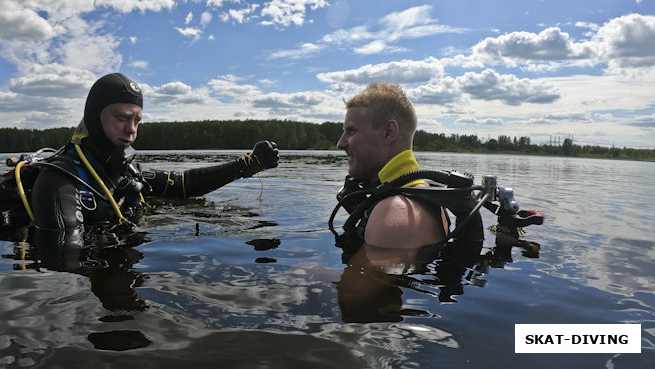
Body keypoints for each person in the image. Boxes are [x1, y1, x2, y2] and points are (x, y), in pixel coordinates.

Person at [30, 72, 279, 232]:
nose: (131, 130)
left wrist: (247, 164)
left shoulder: (126, 170)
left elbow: (186, 184)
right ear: (94, 118)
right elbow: (65, 259)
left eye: (137, 121)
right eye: (122, 118)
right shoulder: (59, 180)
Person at [336, 81, 448, 250]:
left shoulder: (396, 211)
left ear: (388, 132)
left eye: (351, 131)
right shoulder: (423, 192)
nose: (341, 143)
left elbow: (361, 278)